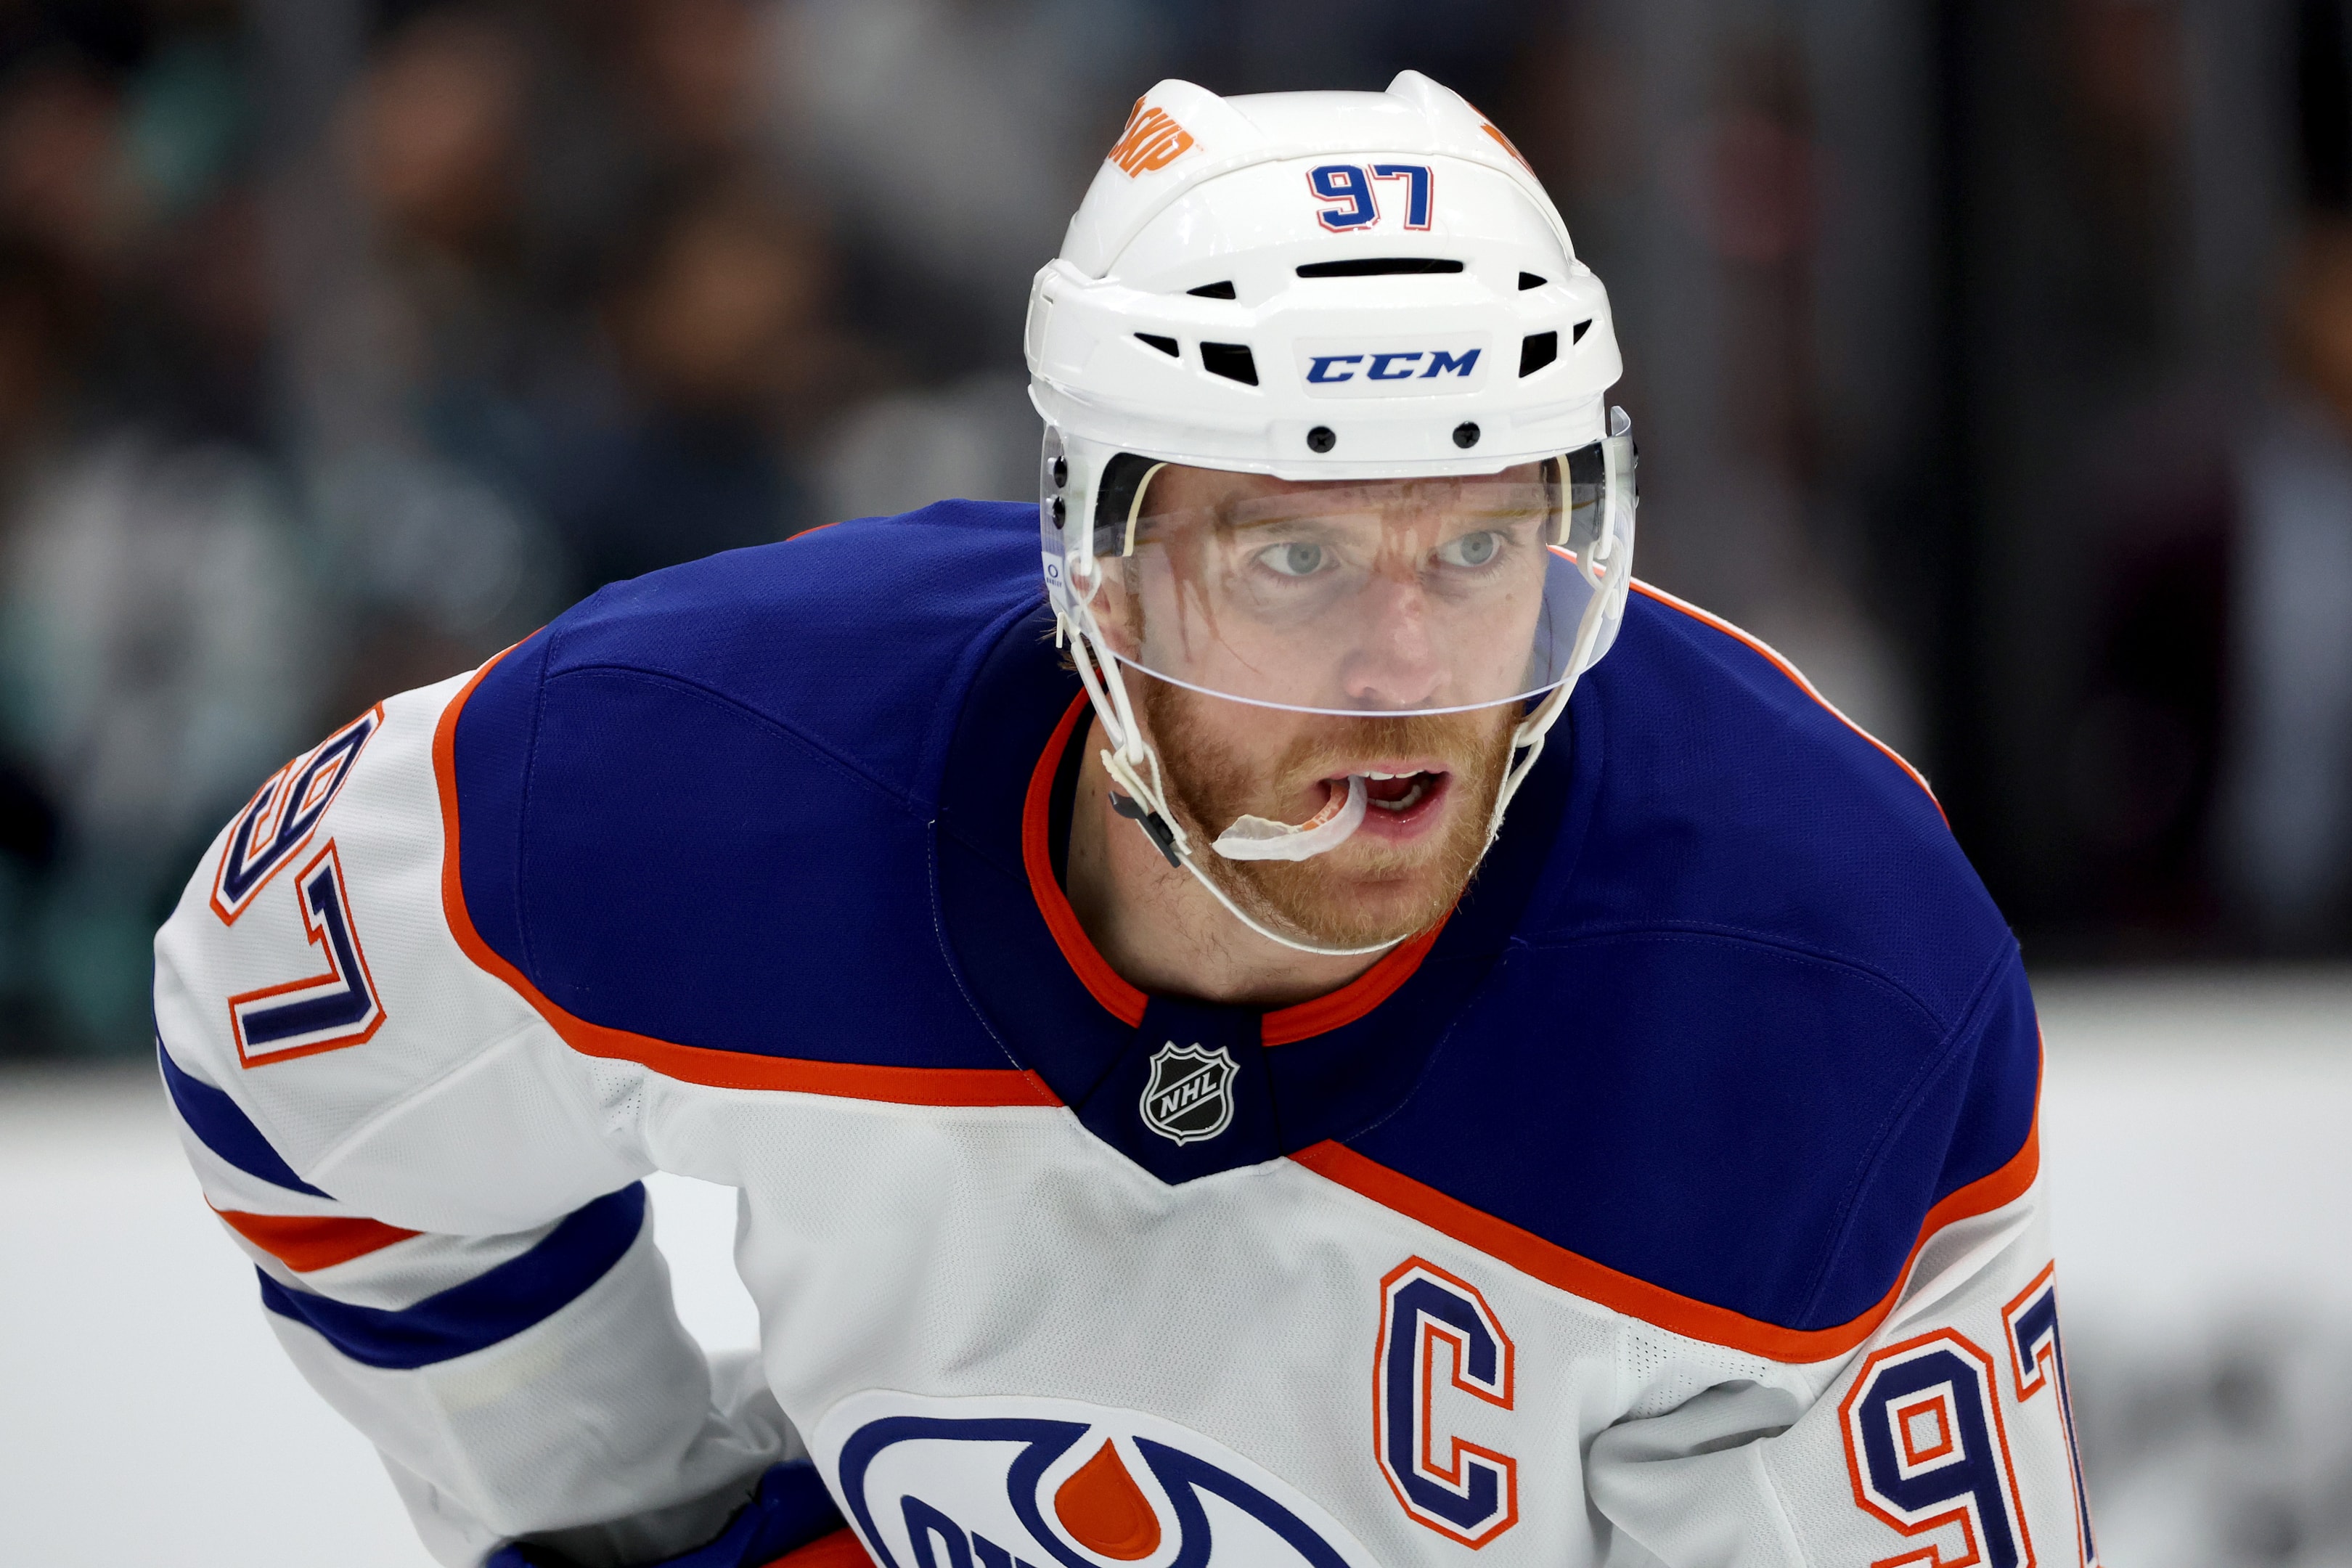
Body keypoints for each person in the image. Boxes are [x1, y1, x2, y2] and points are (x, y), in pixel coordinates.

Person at [153, 75, 2091, 1568]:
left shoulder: (1813, 967)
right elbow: (280, 1024)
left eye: (1485, 542)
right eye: (1295, 554)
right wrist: (631, 1531)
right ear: (1104, 568)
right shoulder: (688, 765)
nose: (1406, 668)